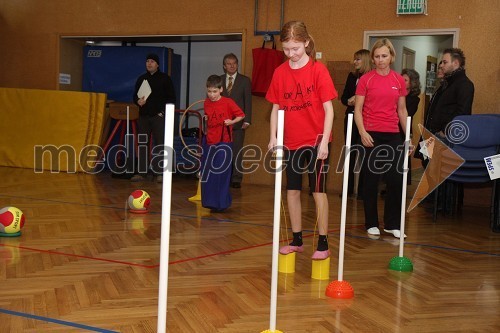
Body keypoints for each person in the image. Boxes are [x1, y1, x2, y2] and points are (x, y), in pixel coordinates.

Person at [266, 21, 337, 260]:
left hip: (317, 140)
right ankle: (297, 240)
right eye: (286, 49)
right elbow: (275, 108)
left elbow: (329, 110)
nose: (291, 54)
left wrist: (325, 141)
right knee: (292, 191)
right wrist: (273, 137)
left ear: (306, 43)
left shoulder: (319, 70)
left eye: (295, 48)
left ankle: (323, 243)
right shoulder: (280, 72)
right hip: (291, 141)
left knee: (318, 191)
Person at [354, 38, 408, 239]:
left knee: (396, 179)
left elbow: (402, 110)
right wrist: (362, 132)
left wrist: (408, 136)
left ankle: (392, 224)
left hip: (393, 134)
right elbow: (358, 109)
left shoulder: (398, 80)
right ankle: (371, 223)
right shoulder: (366, 80)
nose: (380, 60)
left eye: (384, 56)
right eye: (377, 56)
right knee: (371, 180)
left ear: (391, 57)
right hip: (371, 135)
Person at [200, 75, 244, 212]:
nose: (211, 95)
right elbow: (208, 117)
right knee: (208, 173)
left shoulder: (228, 102)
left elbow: (241, 115)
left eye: (214, 91)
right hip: (209, 141)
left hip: (224, 141)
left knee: (222, 173)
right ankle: (210, 202)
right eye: (209, 91)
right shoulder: (206, 103)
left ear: (221, 89)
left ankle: (222, 203)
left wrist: (231, 122)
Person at [131, 53, 176, 182]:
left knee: (160, 144)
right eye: (147, 61)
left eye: (152, 61)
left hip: (158, 117)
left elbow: (171, 98)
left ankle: (159, 173)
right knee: (142, 143)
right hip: (143, 116)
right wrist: (137, 101)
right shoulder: (141, 79)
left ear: (157, 64)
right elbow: (135, 96)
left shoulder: (165, 79)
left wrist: (162, 112)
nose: (149, 63)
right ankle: (142, 172)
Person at [340, 49, 371, 198]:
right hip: (350, 118)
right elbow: (343, 98)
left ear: (365, 60)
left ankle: (364, 192)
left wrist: (359, 101)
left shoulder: (372, 77)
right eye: (355, 59)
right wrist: (349, 100)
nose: (355, 62)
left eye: (358, 59)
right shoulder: (352, 77)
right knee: (349, 153)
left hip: (366, 121)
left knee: (365, 154)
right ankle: (347, 188)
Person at [425, 48, 474, 138]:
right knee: (422, 152)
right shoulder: (447, 83)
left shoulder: (465, 84)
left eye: (445, 62)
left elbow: (463, 113)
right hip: (432, 133)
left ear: (455, 63)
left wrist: (445, 131)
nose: (442, 65)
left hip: (444, 135)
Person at [220, 53, 252, 189]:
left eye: (234, 63)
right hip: (222, 123)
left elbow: (248, 102)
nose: (232, 66)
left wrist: (248, 120)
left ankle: (236, 178)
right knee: (223, 151)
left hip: (239, 123)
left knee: (237, 151)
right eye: (229, 63)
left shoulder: (244, 80)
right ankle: (224, 176)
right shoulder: (219, 80)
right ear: (224, 66)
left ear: (237, 64)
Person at [401, 68, 421, 184]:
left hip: (405, 130)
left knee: (403, 159)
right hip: (394, 129)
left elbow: (408, 113)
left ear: (412, 82)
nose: (402, 82)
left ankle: (402, 185)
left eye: (405, 80)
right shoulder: (396, 94)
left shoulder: (414, 99)